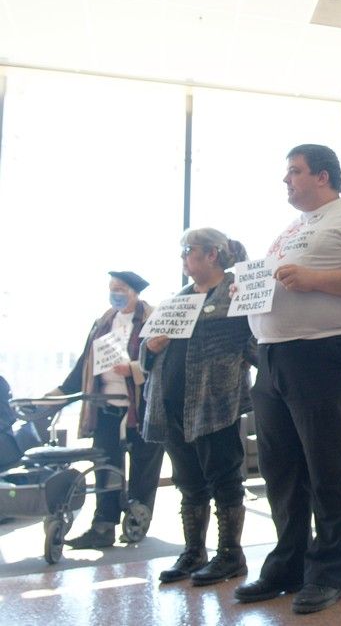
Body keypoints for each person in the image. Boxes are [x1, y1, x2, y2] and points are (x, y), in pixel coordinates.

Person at [234, 144, 341, 615]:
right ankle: (288, 564)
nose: (286, 180)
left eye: (294, 172)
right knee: (282, 470)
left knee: (330, 467)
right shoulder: (290, 230)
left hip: (328, 351)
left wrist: (314, 279)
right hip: (274, 358)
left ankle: (328, 572)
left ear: (322, 176)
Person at [141, 228, 256, 586]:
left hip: (215, 403)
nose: (183, 258)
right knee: (188, 482)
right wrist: (152, 347)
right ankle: (194, 551)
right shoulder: (178, 299)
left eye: (188, 250)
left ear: (212, 254)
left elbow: (254, 342)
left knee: (224, 477)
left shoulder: (237, 295)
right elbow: (146, 352)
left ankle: (230, 554)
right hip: (171, 406)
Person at [49, 271, 165, 549]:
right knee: (105, 467)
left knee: (143, 469)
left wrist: (134, 369)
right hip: (105, 407)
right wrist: (61, 393)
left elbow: (164, 363)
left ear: (135, 292)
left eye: (121, 288)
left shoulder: (153, 320)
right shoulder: (102, 323)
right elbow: (84, 364)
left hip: (144, 407)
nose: (115, 293)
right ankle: (103, 525)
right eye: (112, 288)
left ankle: (137, 519)